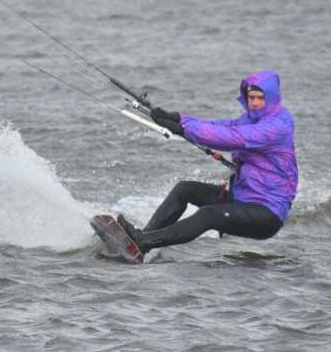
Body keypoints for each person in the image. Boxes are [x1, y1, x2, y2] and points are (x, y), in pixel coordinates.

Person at [117, 69, 298, 255]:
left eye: (260, 98)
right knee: (185, 189)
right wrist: (178, 118)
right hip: (242, 197)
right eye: (251, 97)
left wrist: (184, 129)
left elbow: (233, 138)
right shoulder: (250, 119)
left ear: (272, 98)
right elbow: (221, 127)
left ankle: (143, 243)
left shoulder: (278, 125)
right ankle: (141, 240)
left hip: (267, 213)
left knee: (208, 215)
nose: (255, 103)